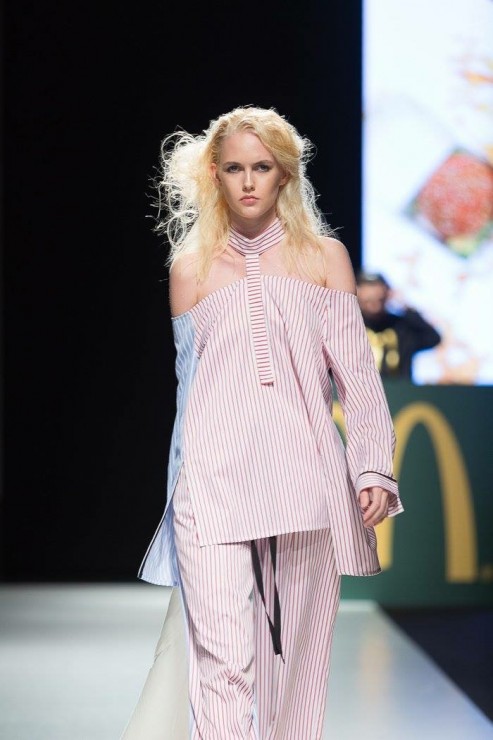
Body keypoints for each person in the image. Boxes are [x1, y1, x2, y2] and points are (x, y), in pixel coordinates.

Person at [122, 107, 403, 740]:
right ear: (213, 176)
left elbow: (357, 376)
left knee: (295, 667)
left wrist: (373, 466)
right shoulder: (191, 270)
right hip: (212, 484)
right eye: (233, 169)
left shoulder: (324, 259)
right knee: (221, 664)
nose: (248, 182)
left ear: (285, 175)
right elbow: (189, 392)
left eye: (262, 167)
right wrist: (176, 492)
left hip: (305, 477)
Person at [356, 271, 441, 379]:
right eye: (369, 299)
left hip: (398, 388)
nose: (374, 301)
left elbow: (433, 338)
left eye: (379, 298)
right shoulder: (348, 327)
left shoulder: (402, 326)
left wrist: (403, 306)